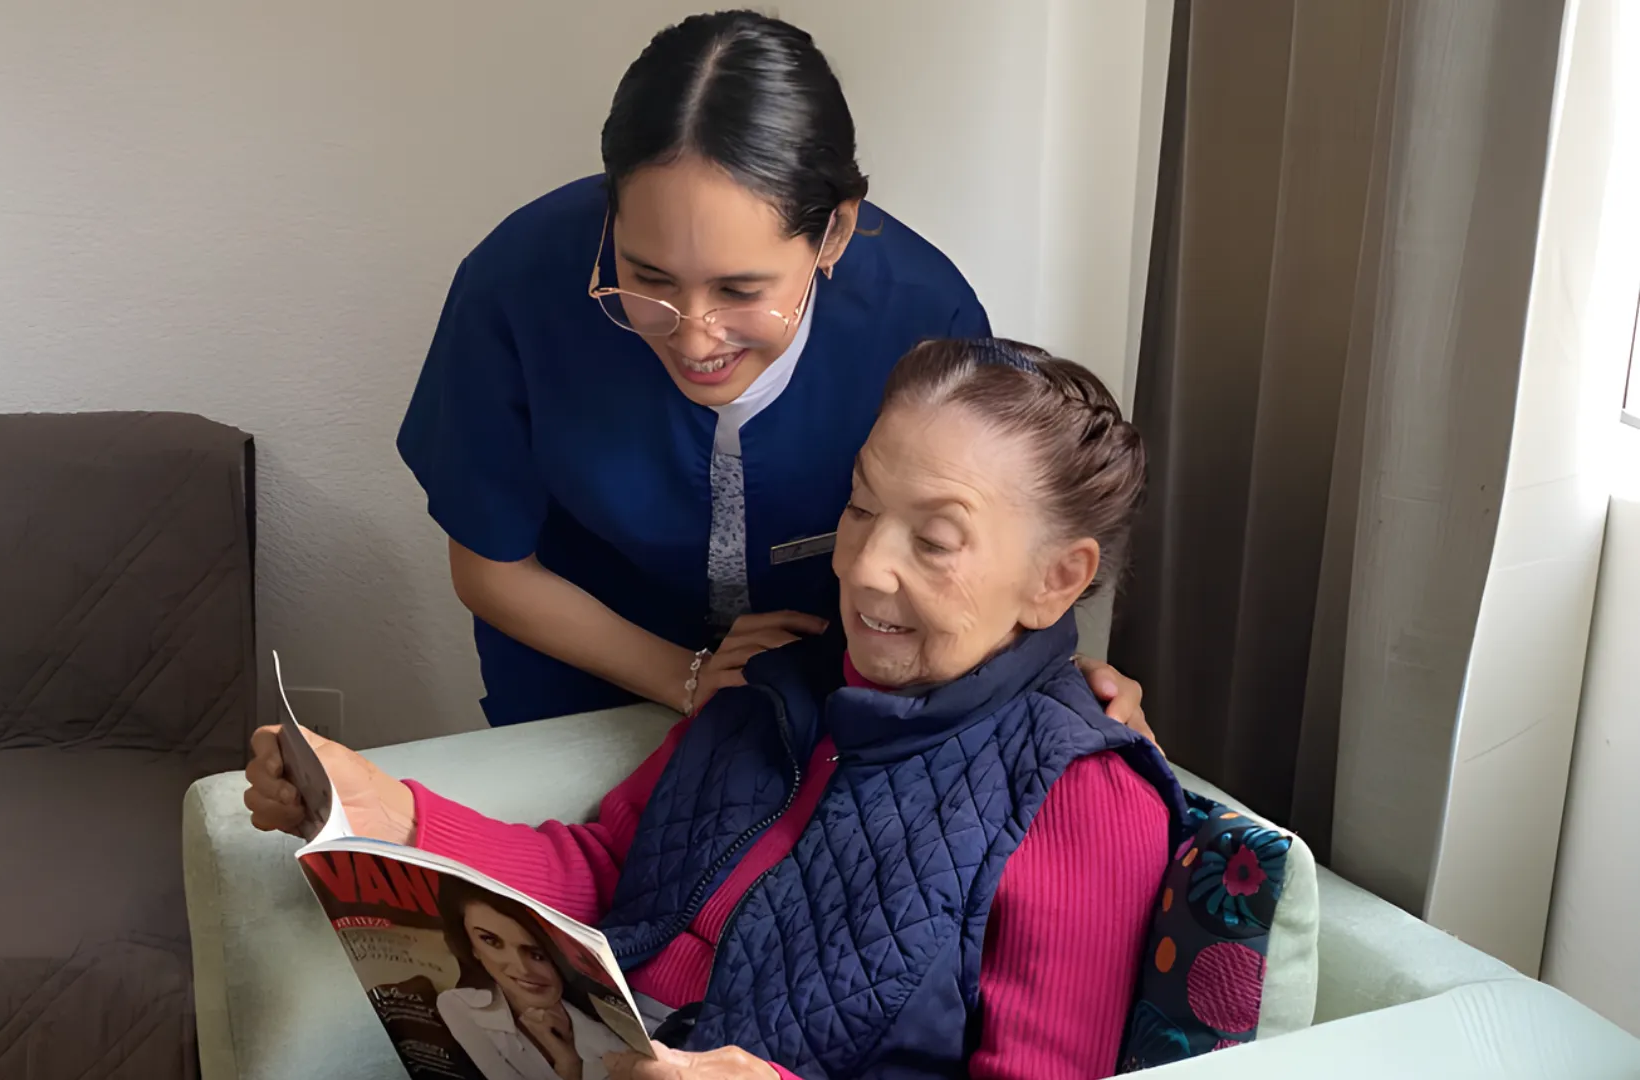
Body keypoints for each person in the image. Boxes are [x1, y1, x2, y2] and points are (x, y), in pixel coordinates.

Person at [256, 339, 1180, 1078]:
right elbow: (610, 869)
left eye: (934, 540)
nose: (863, 568)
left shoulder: (1082, 798)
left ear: (1058, 580)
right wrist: (396, 815)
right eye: (860, 510)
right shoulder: (777, 678)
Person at [397, 10, 1150, 733]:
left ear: (836, 233)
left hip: (831, 684)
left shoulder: (924, 316)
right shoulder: (514, 284)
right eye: (647, 278)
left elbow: (985, 552)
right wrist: (683, 676)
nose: (694, 339)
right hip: (579, 682)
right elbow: (491, 565)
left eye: (739, 291)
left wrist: (1049, 678)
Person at [436, 879, 633, 1080]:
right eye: (491, 941)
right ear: (472, 947)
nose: (522, 969)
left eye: (537, 954)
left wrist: (569, 1061)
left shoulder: (615, 1045)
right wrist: (568, 1066)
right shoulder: (458, 1005)